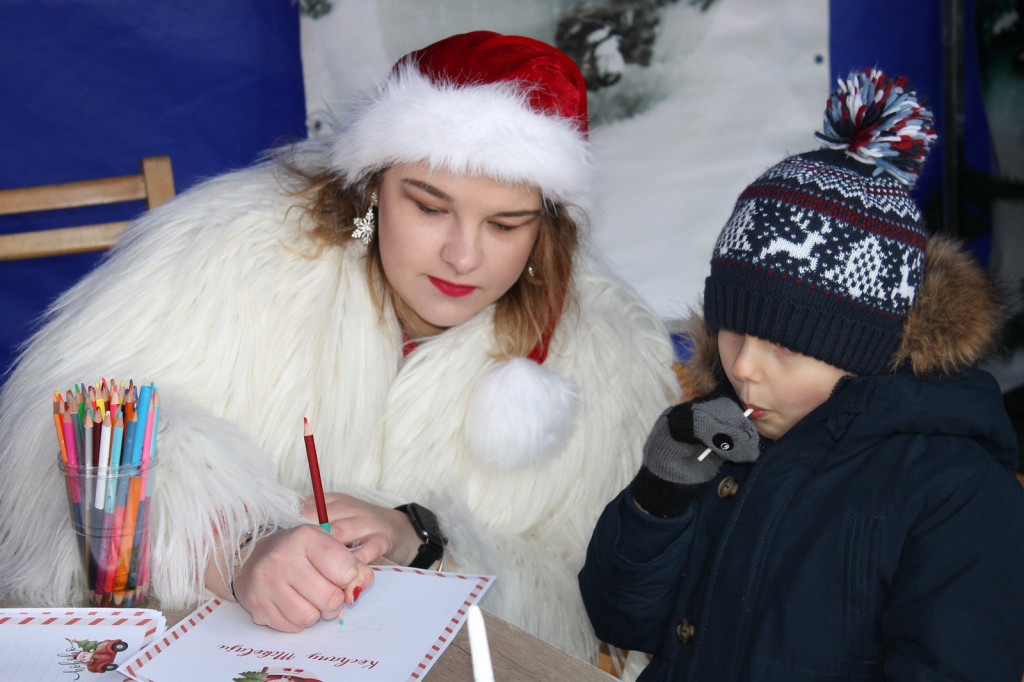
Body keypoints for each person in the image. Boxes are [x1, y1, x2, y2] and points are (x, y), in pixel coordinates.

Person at [0, 31, 681, 664]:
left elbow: (593, 609)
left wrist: (428, 542)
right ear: (373, 187)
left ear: (546, 229)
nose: (463, 254)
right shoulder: (233, 252)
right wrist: (233, 542)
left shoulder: (605, 354)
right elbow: (66, 427)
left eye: (505, 224)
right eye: (429, 206)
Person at [578, 69, 1024, 680]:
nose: (742, 367)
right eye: (733, 328)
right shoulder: (726, 438)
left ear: (864, 350)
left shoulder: (955, 492)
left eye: (787, 348)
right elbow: (620, 620)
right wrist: (659, 497)